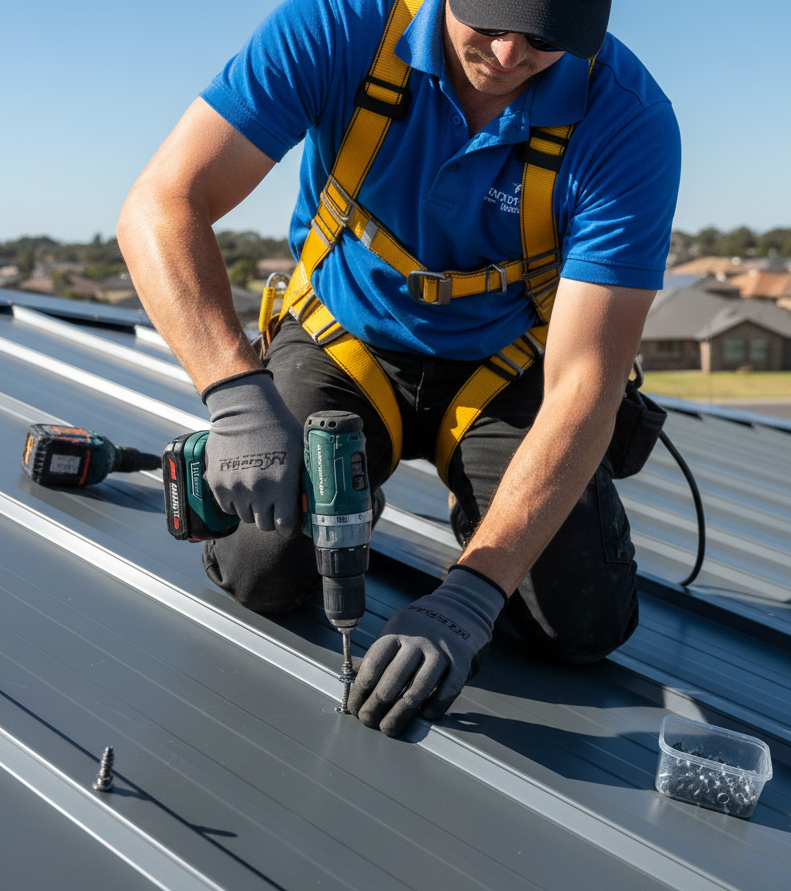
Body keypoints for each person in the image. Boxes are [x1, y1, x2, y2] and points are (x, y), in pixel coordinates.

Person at [117, 0, 681, 738]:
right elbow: (161, 204)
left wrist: (475, 591)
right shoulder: (338, 29)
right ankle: (351, 489)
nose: (508, 57)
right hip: (344, 339)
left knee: (576, 622)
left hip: (502, 366)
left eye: (543, 41)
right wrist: (235, 395)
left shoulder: (626, 120)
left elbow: (584, 384)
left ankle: (475, 510)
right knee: (265, 566)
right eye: (490, 24)